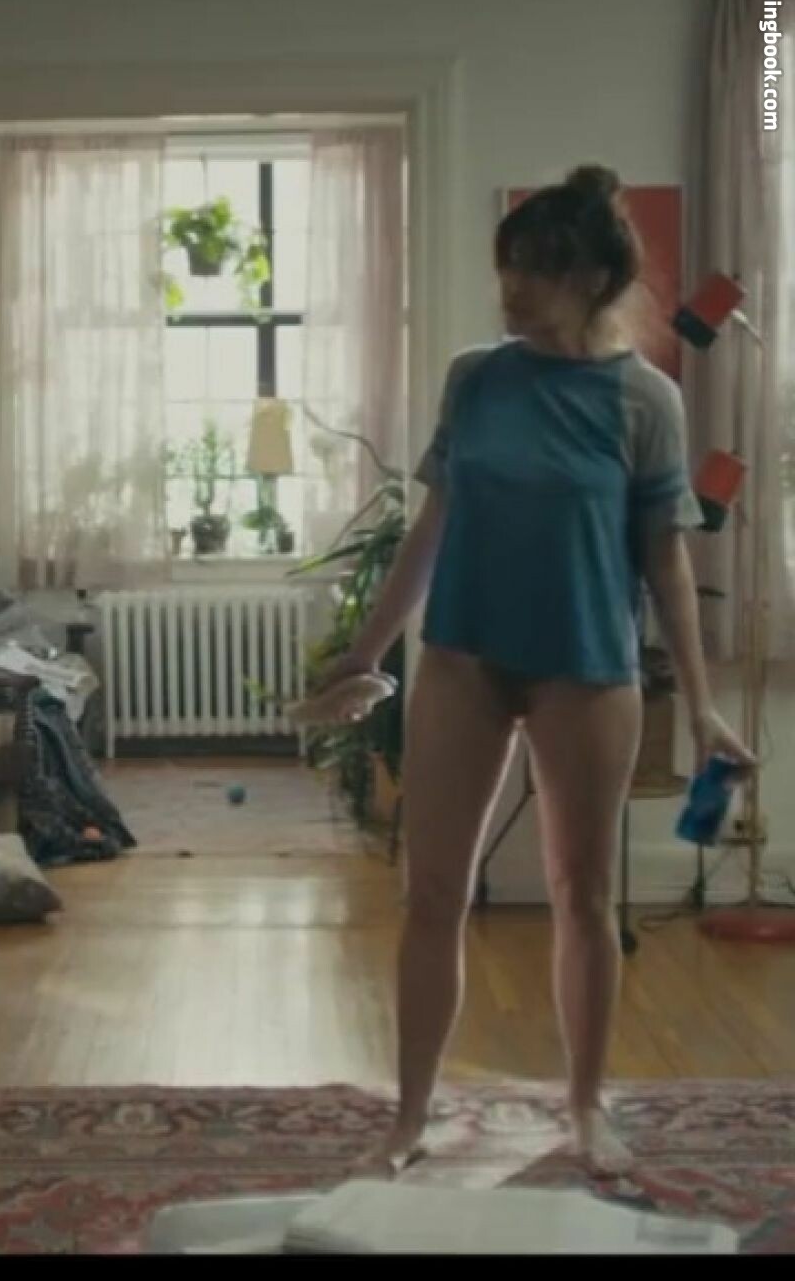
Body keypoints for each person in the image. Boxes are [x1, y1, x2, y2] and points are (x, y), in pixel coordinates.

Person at [319, 164, 755, 1177]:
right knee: (432, 893)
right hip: (463, 659)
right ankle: (409, 1116)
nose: (510, 290)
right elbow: (431, 527)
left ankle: (586, 1108)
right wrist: (363, 653)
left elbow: (665, 562)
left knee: (581, 895)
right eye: (505, 268)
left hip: (587, 669)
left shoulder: (644, 399)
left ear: (594, 278)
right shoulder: (474, 378)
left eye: (534, 272)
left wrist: (701, 708)